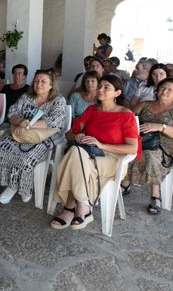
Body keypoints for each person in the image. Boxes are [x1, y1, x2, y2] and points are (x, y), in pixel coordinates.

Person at [50, 75, 140, 230]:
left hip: (113, 159)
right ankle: (83, 208)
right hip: (87, 154)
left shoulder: (126, 115)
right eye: (100, 86)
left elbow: (132, 148)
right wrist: (77, 136)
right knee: (76, 153)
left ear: (117, 93)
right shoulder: (91, 110)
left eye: (107, 87)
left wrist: (102, 145)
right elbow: (69, 134)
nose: (100, 89)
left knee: (74, 156)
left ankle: (69, 207)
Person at [0, 70, 66, 204]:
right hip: (19, 133)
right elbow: (12, 112)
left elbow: (55, 120)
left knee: (25, 159)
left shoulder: (58, 100)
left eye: (43, 81)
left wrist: (27, 125)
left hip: (43, 138)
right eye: (36, 81)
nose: (38, 84)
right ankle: (11, 184)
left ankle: (21, 188)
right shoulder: (26, 97)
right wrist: (19, 122)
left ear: (51, 85)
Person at [125, 78, 173, 215]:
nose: (165, 91)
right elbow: (127, 118)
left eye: (169, 90)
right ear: (157, 90)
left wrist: (161, 127)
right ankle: (125, 181)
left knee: (148, 155)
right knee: (124, 150)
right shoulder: (145, 105)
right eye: (162, 88)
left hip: (165, 145)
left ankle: (155, 194)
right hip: (141, 140)